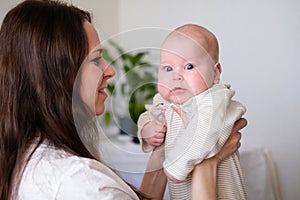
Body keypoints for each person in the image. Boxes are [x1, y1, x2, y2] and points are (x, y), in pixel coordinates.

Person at [0, 1, 247, 200]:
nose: (110, 70)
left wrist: (162, 151)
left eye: (189, 66)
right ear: (58, 73)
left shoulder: (25, 159)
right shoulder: (81, 184)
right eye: (97, 60)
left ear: (216, 72)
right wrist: (207, 162)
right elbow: (150, 117)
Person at [138, 24, 247, 199]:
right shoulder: (166, 101)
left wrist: (176, 166)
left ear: (215, 72)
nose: (176, 76)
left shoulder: (214, 99)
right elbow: (148, 114)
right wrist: (147, 129)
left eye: (189, 67)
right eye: (168, 68)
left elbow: (205, 129)